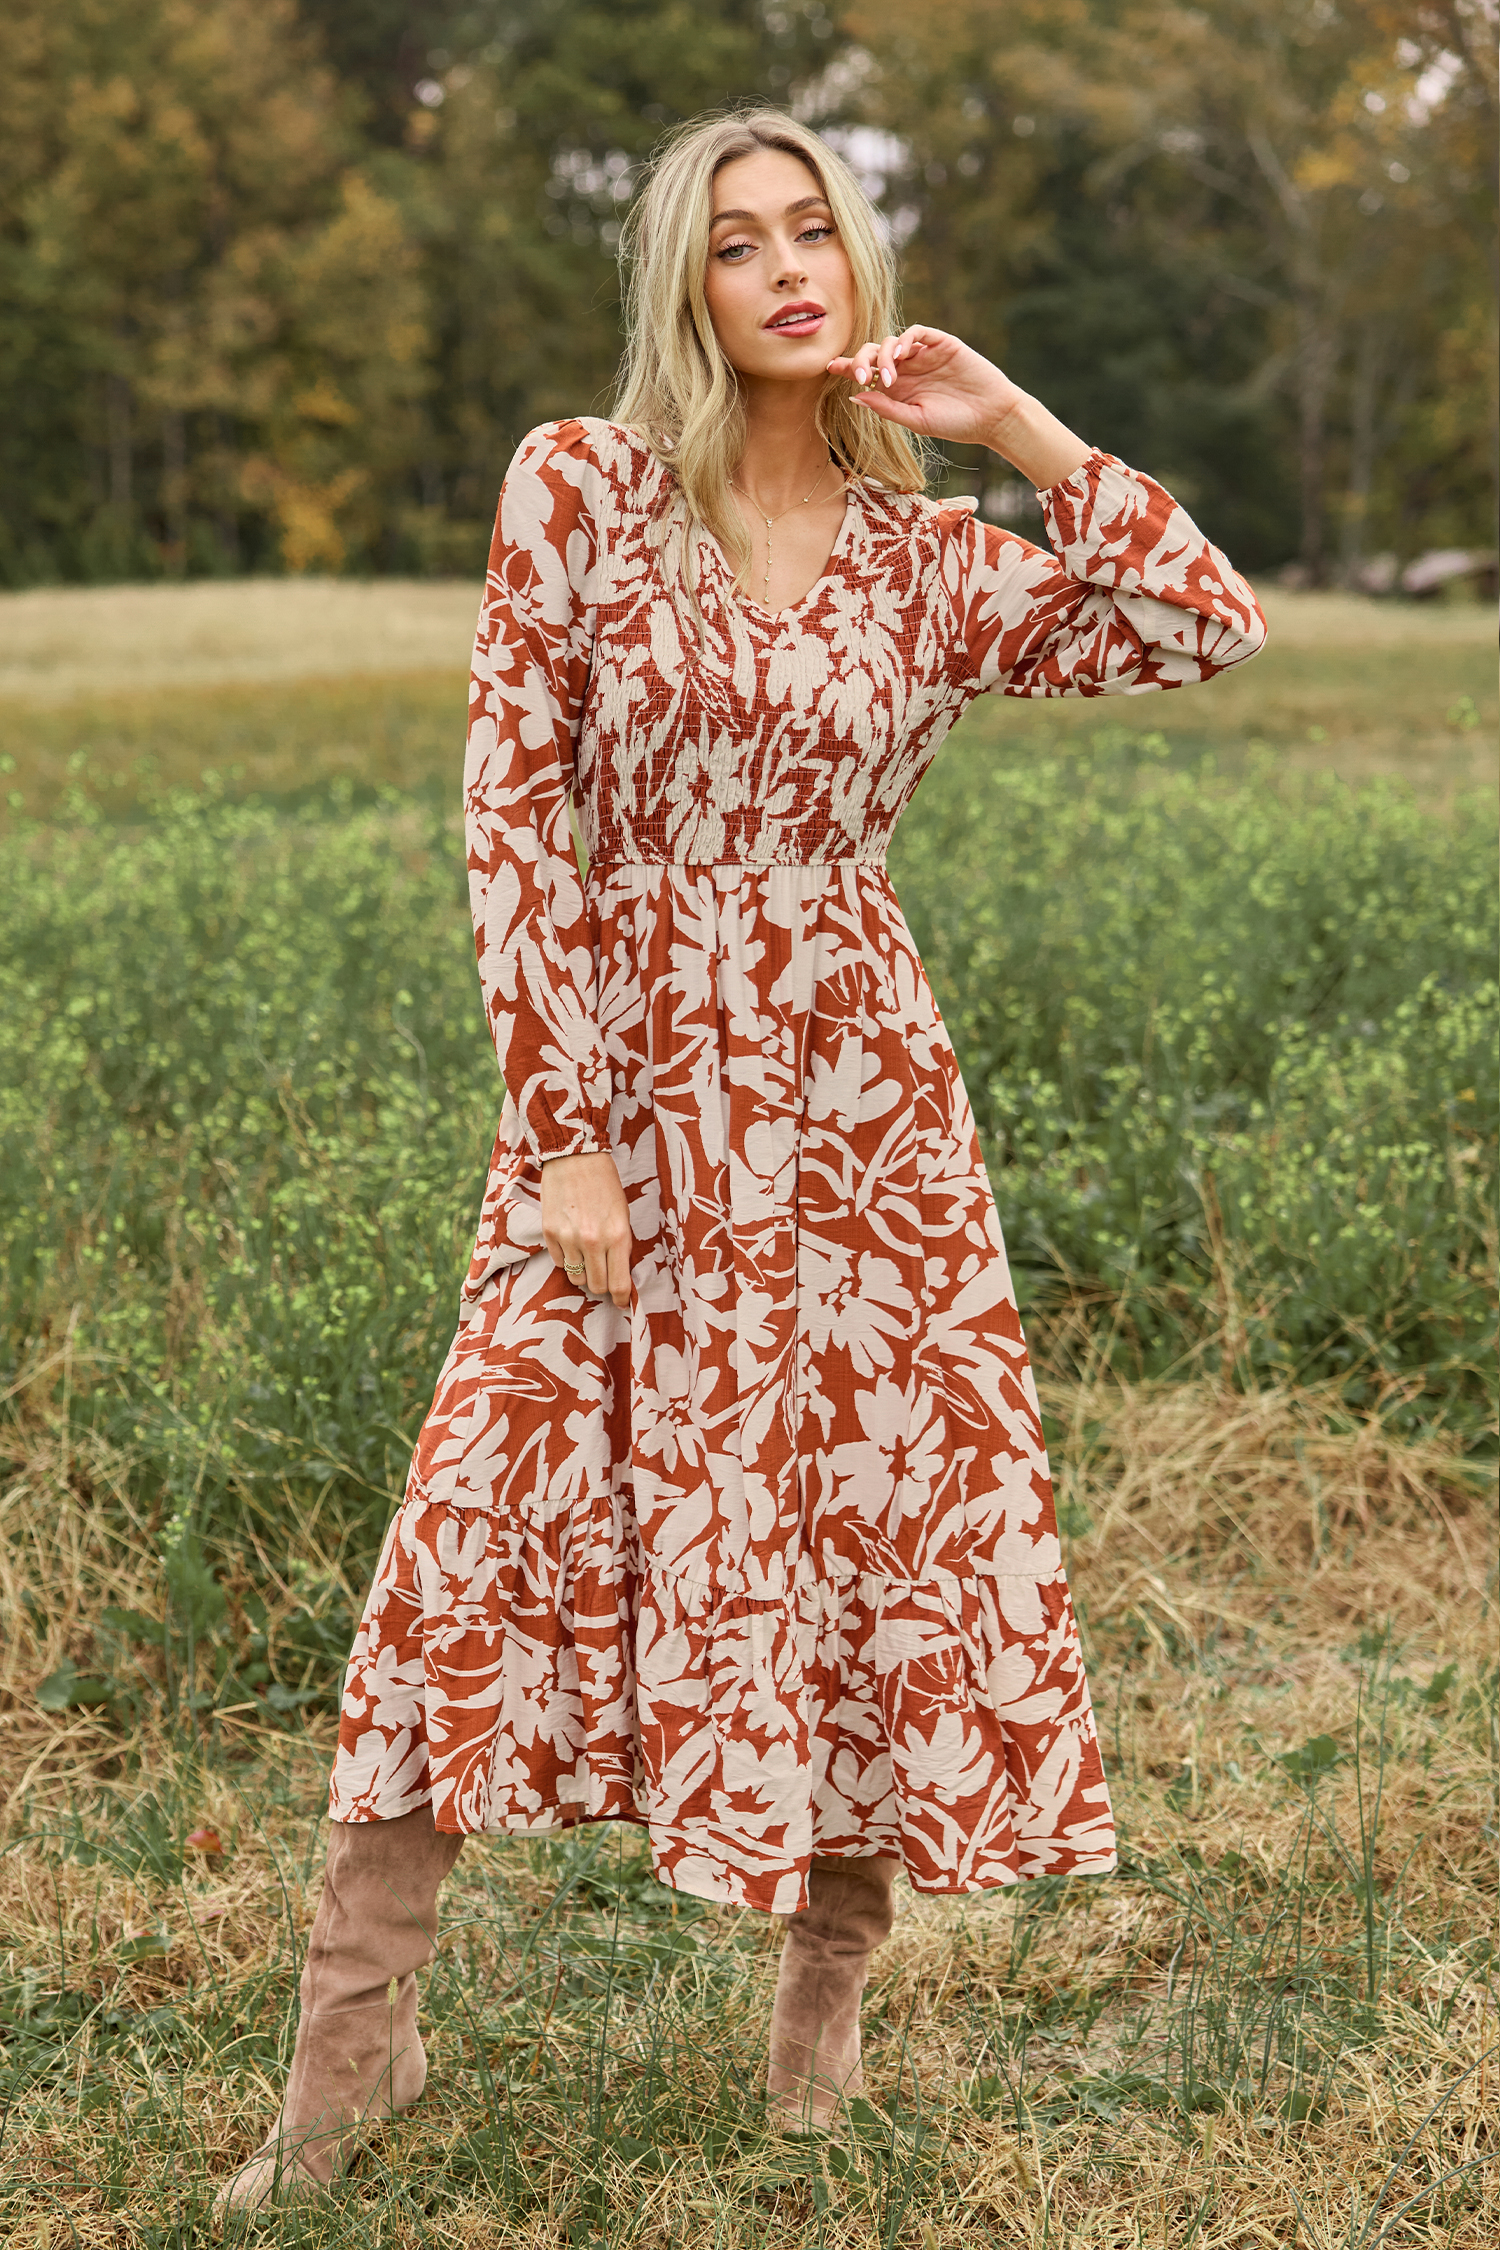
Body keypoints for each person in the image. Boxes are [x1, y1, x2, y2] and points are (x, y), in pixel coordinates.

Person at [214, 105, 1265, 2213]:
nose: (789, 268)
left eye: (818, 232)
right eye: (735, 242)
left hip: (865, 1119)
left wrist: (1017, 425)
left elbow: (1201, 622)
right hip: (631, 1089)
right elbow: (517, 822)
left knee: (869, 1557)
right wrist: (569, 1143)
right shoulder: (582, 491)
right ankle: (348, 2073)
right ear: (679, 289)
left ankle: (817, 2035)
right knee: (464, 1547)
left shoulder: (931, 560)